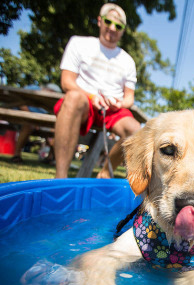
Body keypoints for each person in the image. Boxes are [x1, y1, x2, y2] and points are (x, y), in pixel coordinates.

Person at [53, 3, 140, 178]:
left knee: (137, 131)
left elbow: (129, 98)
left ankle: (106, 172)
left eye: (119, 26)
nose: (112, 28)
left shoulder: (127, 60)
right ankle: (60, 177)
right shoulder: (79, 43)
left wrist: (119, 103)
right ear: (100, 21)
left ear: (123, 30)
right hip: (84, 102)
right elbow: (67, 81)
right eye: (108, 22)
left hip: (113, 109)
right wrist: (91, 97)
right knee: (73, 98)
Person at [10, 83, 62, 164]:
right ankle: (17, 155)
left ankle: (50, 157)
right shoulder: (33, 88)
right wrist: (32, 118)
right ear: (48, 89)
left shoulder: (48, 103)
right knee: (29, 124)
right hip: (23, 117)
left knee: (56, 129)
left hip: (40, 121)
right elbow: (19, 100)